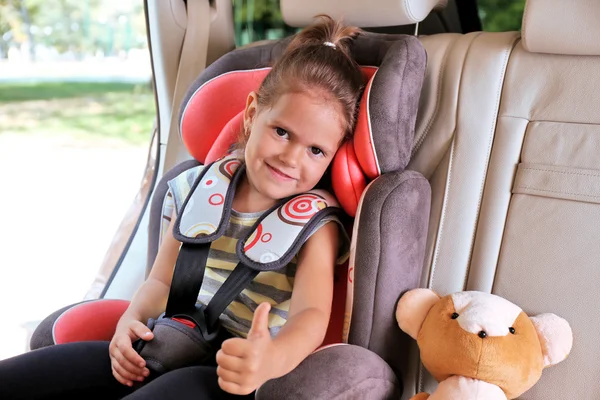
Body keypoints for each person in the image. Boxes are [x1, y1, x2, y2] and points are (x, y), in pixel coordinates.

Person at [0, 15, 364, 400]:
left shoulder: (315, 226)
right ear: (253, 112)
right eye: (282, 132)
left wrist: (270, 358)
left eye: (315, 150)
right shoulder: (199, 188)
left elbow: (311, 316)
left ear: (332, 155)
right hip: (167, 341)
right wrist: (131, 320)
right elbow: (160, 281)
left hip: (227, 372)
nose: (292, 157)